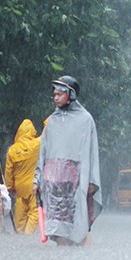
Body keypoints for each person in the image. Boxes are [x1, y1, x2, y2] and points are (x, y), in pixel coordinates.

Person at [32, 75, 102, 246]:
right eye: (54, 94)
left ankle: (82, 258)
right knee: (57, 223)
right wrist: (37, 179)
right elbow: (43, 152)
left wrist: (92, 180)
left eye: (60, 94)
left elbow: (92, 151)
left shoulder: (85, 120)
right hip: (54, 182)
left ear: (71, 95)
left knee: (77, 221)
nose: (55, 98)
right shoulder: (52, 121)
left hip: (76, 180)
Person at [4, 119, 41, 235]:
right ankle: (28, 235)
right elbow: (48, 132)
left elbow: (9, 171)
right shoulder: (36, 145)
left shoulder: (12, 150)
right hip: (34, 186)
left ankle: (20, 235)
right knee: (34, 212)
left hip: (19, 188)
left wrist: (9, 187)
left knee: (20, 215)